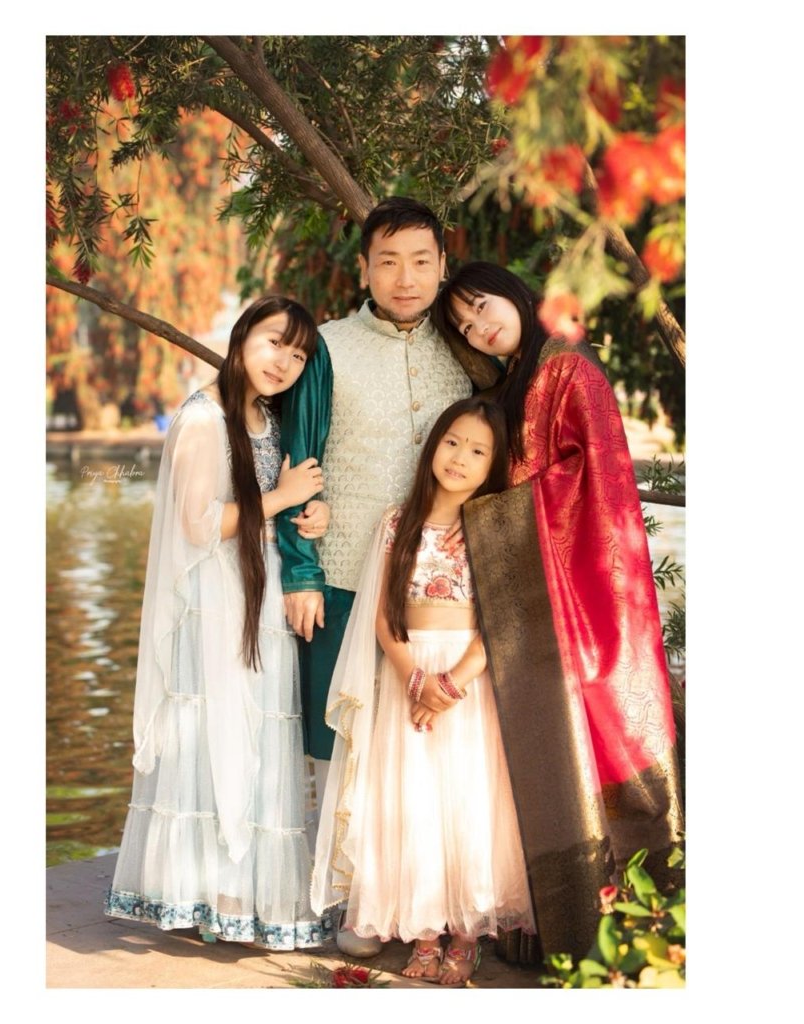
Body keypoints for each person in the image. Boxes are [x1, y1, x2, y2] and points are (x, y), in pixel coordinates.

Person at [433, 263, 684, 959]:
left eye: (481, 306)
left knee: (601, 736)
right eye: (463, 326)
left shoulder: (569, 367)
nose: (478, 327)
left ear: (513, 293)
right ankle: (549, 930)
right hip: (537, 591)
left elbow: (598, 476)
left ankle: (619, 933)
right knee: (545, 747)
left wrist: (496, 517)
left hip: (586, 593)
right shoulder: (513, 381)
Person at [276, 197, 497, 955]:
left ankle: (432, 901)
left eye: (421, 262)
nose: (405, 279)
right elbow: (298, 459)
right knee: (345, 737)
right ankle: (357, 901)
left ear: (442, 266)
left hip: (444, 585)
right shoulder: (328, 347)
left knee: (428, 746)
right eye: (389, 262)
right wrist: (299, 572)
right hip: (342, 574)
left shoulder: (468, 353)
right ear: (364, 268)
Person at [105, 296, 334, 950]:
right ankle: (202, 894)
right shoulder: (204, 418)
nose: (284, 362)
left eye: (298, 355)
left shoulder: (269, 417)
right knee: (215, 733)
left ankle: (242, 897)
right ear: (241, 338)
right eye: (274, 343)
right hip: (215, 599)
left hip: (261, 596)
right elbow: (199, 522)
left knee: (258, 737)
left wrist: (310, 515)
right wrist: (284, 497)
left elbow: (275, 509)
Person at [311, 397, 535, 985]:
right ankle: (425, 932)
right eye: (452, 442)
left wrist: (450, 683)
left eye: (478, 451)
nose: (460, 457)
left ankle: (466, 935)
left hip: (468, 681)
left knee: (465, 798)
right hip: (407, 674)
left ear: (494, 464)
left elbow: (500, 620)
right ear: (433, 444)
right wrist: (415, 677)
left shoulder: (493, 526)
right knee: (414, 800)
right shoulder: (398, 522)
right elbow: (384, 615)